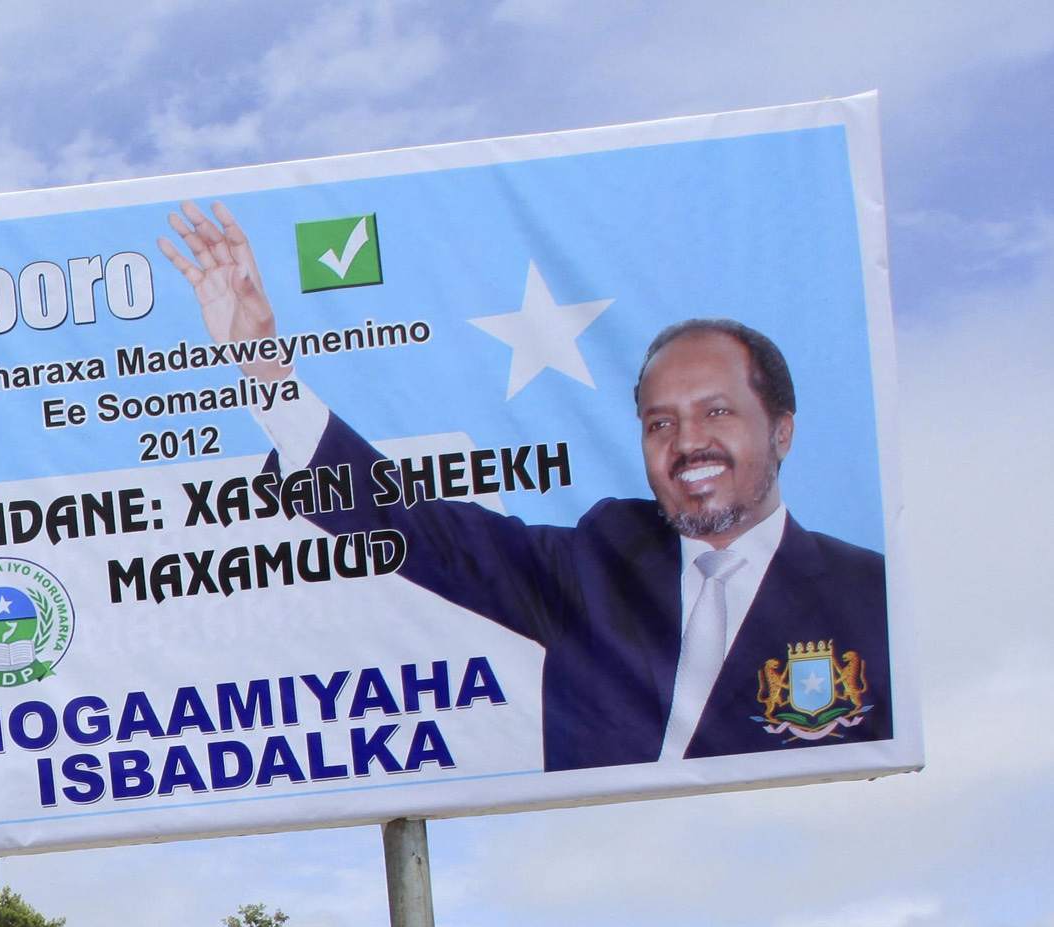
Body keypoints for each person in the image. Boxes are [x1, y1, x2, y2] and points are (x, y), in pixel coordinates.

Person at [161, 204, 890, 774]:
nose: (688, 443)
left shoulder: (868, 595)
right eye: (660, 422)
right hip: (585, 887)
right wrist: (263, 366)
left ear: (783, 430)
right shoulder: (605, 560)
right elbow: (409, 524)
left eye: (718, 412)